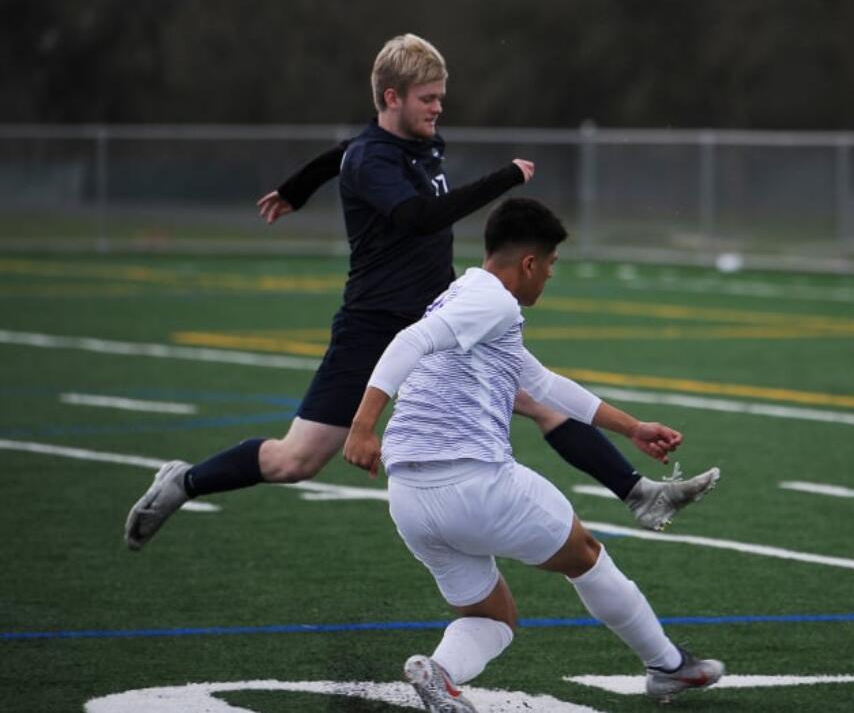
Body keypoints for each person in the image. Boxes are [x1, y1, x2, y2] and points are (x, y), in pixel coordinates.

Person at [124, 34, 719, 551]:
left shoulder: (405, 141)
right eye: (428, 98)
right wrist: (504, 178)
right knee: (295, 460)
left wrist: (295, 188)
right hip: (374, 327)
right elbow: (418, 217)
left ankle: (641, 494)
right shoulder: (373, 161)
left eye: (440, 97)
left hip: (441, 317)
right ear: (392, 99)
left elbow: (339, 152)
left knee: (539, 401)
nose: (439, 108)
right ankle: (185, 481)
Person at [343, 198, 724, 710]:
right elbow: (409, 340)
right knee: (585, 554)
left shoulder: (466, 296)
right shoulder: (494, 303)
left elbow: (541, 383)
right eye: (550, 265)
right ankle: (667, 667)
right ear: (528, 263)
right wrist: (363, 426)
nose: (548, 275)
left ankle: (438, 672)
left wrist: (632, 427)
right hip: (473, 483)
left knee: (492, 616)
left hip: (409, 498)